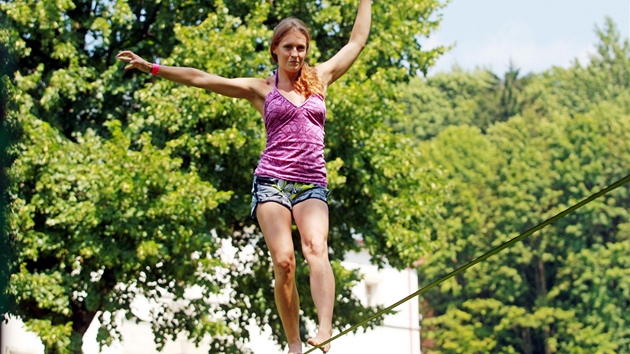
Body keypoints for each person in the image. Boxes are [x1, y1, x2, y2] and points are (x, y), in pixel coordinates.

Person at [117, 1, 371, 352]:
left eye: (301, 47)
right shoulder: (261, 89)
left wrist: (365, 2)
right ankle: (294, 341)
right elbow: (203, 78)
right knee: (284, 261)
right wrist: (154, 68)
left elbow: (356, 42)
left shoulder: (320, 80)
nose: (295, 54)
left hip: (312, 181)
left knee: (316, 248)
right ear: (275, 50)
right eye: (288, 47)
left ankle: (325, 329)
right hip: (272, 181)